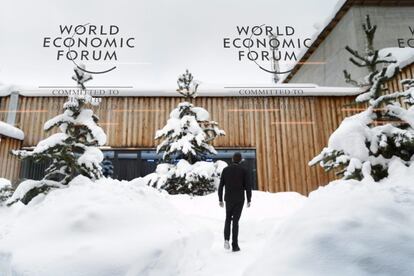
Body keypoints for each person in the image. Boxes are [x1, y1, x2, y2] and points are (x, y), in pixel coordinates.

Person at [218, 152, 252, 252]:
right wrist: (249, 199)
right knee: (235, 221)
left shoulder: (225, 170)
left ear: (232, 159)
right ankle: (235, 245)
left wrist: (220, 199)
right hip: (239, 199)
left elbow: (221, 186)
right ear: (240, 160)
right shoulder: (244, 170)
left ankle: (226, 239)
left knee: (228, 219)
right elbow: (248, 187)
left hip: (228, 199)